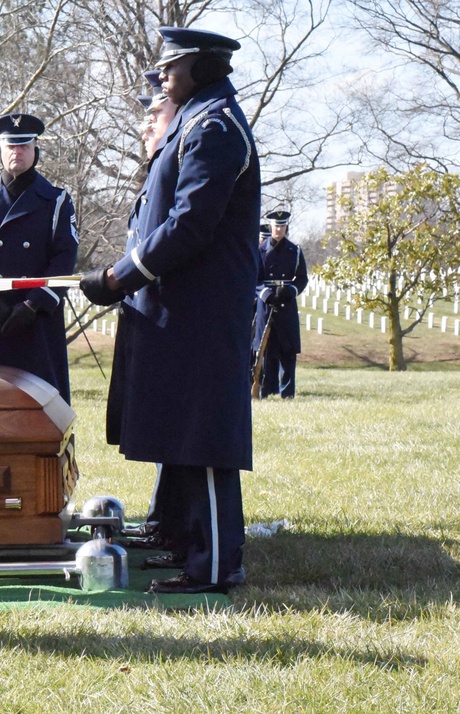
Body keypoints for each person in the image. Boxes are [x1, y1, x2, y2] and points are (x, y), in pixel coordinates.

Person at [80, 26, 260, 595]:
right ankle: (186, 541)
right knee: (183, 432)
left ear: (203, 67)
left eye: (172, 66)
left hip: (201, 312)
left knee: (204, 441)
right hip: (179, 308)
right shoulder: (194, 120)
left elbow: (189, 224)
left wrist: (120, 275)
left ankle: (212, 568)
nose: (163, 76)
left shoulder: (215, 127)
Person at [0, 112, 79, 404]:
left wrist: (33, 304)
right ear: (0, 150)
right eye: (11, 146)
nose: (17, 152)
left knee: (38, 411)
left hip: (36, 321)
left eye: (24, 145)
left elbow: (64, 256)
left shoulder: (57, 201)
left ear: (36, 150)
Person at [106, 71, 179, 550]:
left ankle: (169, 524)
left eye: (154, 113)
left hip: (169, 316)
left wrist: (117, 278)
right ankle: (163, 519)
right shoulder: (158, 166)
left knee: (173, 431)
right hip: (148, 313)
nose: (145, 125)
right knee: (160, 428)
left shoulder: (179, 156)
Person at [253, 209, 308, 399]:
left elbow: (302, 278)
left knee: (288, 350)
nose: (279, 230)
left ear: (286, 227)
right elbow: (254, 278)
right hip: (267, 304)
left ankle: (288, 393)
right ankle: (265, 390)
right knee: (265, 350)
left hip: (286, 305)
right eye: (276, 226)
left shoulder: (295, 251)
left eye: (282, 226)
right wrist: (266, 294)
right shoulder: (258, 251)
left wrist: (290, 291)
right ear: (271, 227)